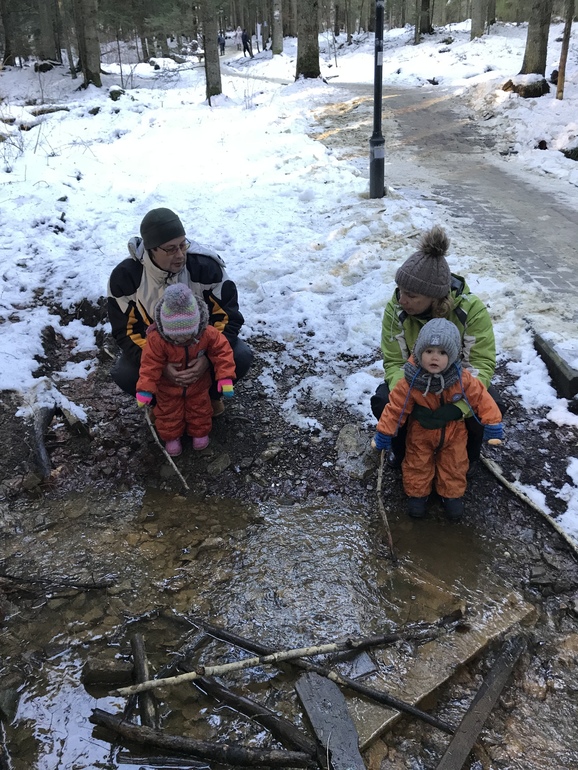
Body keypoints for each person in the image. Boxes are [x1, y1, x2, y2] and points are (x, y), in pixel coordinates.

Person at [371, 225, 505, 474]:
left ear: (434, 297)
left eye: (412, 295)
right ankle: (402, 451)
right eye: (401, 291)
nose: (402, 300)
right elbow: (394, 361)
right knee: (383, 400)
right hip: (414, 383)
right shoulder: (397, 309)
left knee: (492, 403)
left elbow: (480, 363)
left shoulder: (470, 310)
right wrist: (411, 398)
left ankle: (467, 457)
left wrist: (458, 407)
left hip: (458, 385)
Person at [107, 207, 253, 416]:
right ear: (151, 249)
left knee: (241, 355)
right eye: (170, 249)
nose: (180, 255)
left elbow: (229, 317)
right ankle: (162, 405)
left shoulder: (205, 267)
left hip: (202, 347)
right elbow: (125, 331)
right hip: (157, 351)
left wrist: (206, 358)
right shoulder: (125, 278)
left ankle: (210, 396)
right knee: (125, 373)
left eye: (182, 245)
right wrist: (160, 363)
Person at [374, 318, 504, 521]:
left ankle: (451, 495)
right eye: (429, 351)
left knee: (454, 462)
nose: (435, 357)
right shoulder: (411, 380)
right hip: (421, 432)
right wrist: (384, 432)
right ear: (419, 352)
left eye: (442, 353)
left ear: (452, 355)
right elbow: (396, 407)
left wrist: (492, 423)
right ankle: (417, 494)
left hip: (453, 431)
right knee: (417, 462)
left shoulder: (462, 378)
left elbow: (481, 398)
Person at [136, 284, 236, 456]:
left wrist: (225, 377)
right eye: (175, 336)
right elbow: (149, 364)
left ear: (196, 324)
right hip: (168, 389)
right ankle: (171, 437)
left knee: (200, 409)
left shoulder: (207, 334)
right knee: (168, 413)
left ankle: (200, 433)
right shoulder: (157, 340)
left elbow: (222, 352)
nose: (182, 339)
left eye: (188, 334)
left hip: (198, 385)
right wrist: (145, 389)